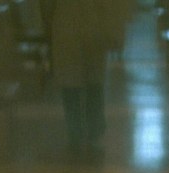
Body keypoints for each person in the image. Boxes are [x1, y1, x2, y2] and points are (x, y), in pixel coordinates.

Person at [40, 0, 115, 159]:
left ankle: (75, 130)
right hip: (93, 25)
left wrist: (49, 26)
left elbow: (46, 6)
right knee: (93, 81)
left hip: (66, 25)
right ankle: (94, 127)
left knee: (71, 82)